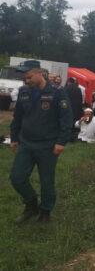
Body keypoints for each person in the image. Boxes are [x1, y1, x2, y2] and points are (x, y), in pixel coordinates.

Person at [9, 64, 72, 223]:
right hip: (27, 143)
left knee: (46, 181)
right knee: (17, 178)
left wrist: (61, 142)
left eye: (29, 76)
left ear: (39, 73)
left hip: (48, 145)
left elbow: (66, 118)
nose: (26, 79)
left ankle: (45, 212)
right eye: (24, 77)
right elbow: (17, 117)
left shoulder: (57, 92)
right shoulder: (24, 92)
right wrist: (14, 138)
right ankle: (31, 205)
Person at [65, 77, 83, 141]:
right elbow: (81, 99)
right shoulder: (78, 89)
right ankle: (75, 136)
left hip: (69, 108)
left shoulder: (66, 89)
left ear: (68, 82)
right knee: (75, 122)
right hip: (77, 108)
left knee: (69, 123)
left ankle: (69, 137)